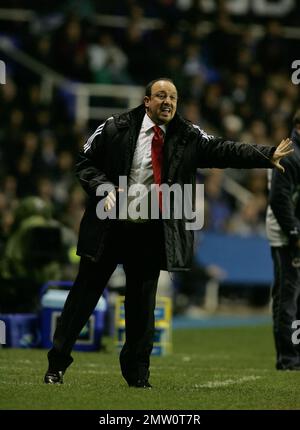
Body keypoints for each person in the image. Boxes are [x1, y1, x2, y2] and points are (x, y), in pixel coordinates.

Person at [44, 77, 292, 387]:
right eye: (161, 95)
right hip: (109, 224)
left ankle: (137, 376)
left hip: (149, 230)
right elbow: (84, 160)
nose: (168, 102)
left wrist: (266, 155)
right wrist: (102, 187)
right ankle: (56, 365)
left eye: (173, 97)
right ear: (146, 100)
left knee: (142, 306)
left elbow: (222, 149)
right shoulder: (115, 126)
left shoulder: (187, 135)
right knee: (84, 297)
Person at [266, 110, 300, 371]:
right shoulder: (290, 153)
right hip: (287, 237)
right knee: (288, 296)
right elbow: (279, 198)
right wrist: (294, 233)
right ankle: (288, 359)